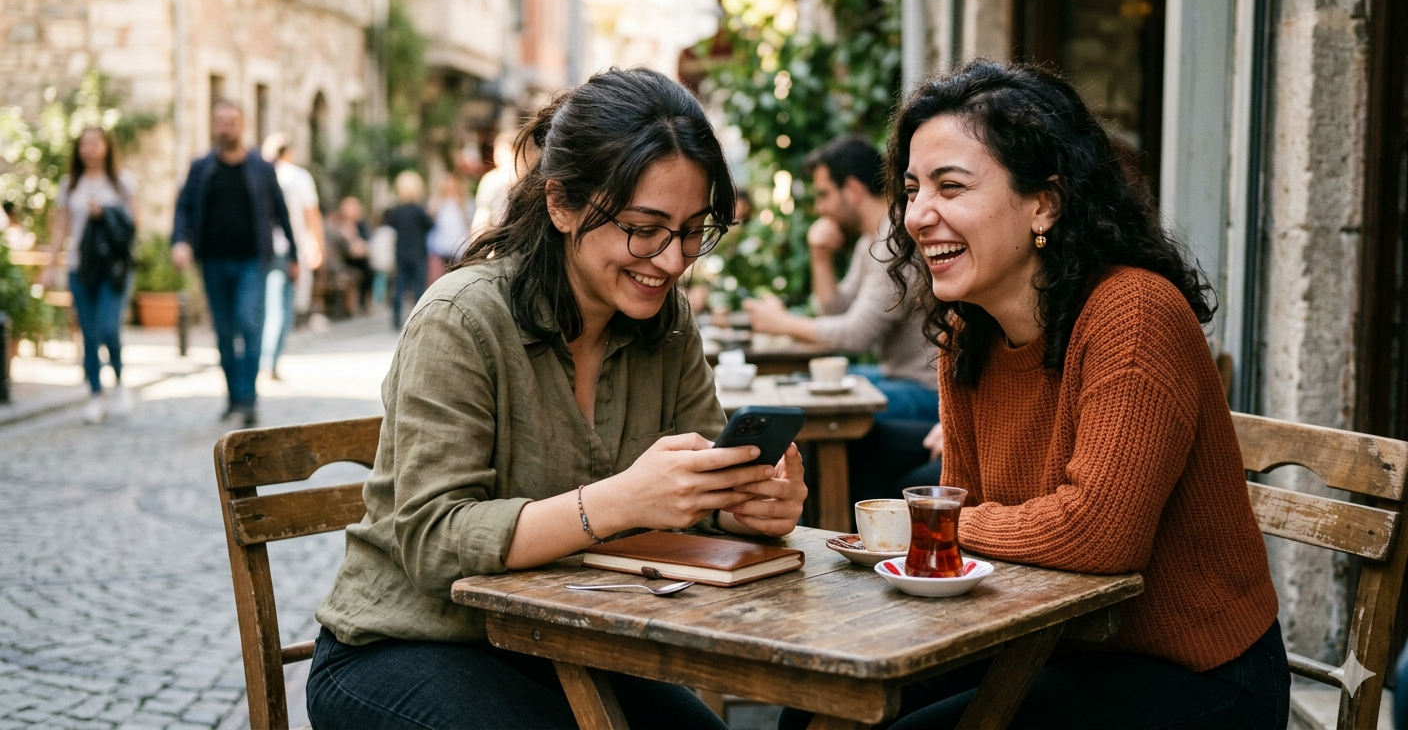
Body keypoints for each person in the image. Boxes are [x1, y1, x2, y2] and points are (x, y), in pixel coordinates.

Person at [306, 67, 807, 729]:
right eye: (643, 226)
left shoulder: (667, 322)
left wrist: (748, 504)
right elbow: (433, 542)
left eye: (692, 231)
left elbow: (695, 496)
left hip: (567, 648)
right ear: (562, 204)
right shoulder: (461, 320)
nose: (670, 260)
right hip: (404, 645)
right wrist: (623, 499)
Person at [795, 61, 1290, 729]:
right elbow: (962, 517)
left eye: (951, 187)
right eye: (912, 190)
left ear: (1045, 202)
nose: (917, 216)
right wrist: (934, 537)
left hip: (1195, 674)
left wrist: (921, 527)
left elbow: (1099, 533)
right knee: (821, 709)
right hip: (1045, 641)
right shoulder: (968, 334)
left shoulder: (1133, 314)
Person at [743, 136, 935, 424]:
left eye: (823, 194)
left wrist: (780, 323)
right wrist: (820, 256)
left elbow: (855, 335)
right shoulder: (872, 239)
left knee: (801, 409)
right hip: (896, 377)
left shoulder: (894, 243)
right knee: (799, 384)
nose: (820, 208)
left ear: (854, 190)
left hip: (926, 390)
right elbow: (836, 311)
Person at [171, 100, 297, 427]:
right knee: (225, 333)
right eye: (220, 122)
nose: (226, 127)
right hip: (212, 262)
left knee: (249, 323)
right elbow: (183, 207)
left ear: (243, 125)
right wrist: (179, 243)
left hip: (252, 262)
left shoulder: (260, 168)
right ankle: (233, 398)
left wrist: (294, 255)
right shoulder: (202, 168)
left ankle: (248, 398)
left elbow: (281, 213)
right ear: (214, 126)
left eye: (232, 121)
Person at [43, 127, 138, 424]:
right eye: (84, 144)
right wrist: (50, 264)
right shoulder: (70, 184)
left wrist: (105, 214)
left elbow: (133, 225)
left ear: (107, 147)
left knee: (109, 328)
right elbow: (62, 227)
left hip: (113, 269)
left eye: (95, 143)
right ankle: (96, 394)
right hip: (80, 267)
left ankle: (120, 383)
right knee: (89, 333)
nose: (90, 149)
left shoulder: (121, 183)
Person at [260, 133, 323, 380]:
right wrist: (317, 246)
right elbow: (312, 215)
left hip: (261, 250)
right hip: (288, 250)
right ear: (290, 153)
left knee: (264, 307)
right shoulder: (299, 177)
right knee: (281, 307)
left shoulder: (261, 174)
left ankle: (266, 360)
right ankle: (269, 362)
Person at [383, 171, 434, 329]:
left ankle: (396, 318)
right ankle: (418, 317)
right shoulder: (419, 211)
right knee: (419, 286)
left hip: (401, 253)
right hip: (418, 252)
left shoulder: (397, 212)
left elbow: (390, 226)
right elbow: (430, 225)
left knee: (400, 285)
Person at [469, 131, 519, 241]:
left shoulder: (493, 179)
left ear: (513, 150)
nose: (496, 154)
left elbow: (482, 215)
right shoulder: (491, 178)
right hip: (498, 237)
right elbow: (483, 213)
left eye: (500, 150)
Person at [426, 172, 470, 284]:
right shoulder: (438, 202)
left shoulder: (464, 202)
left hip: (459, 245)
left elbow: (468, 222)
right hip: (442, 246)